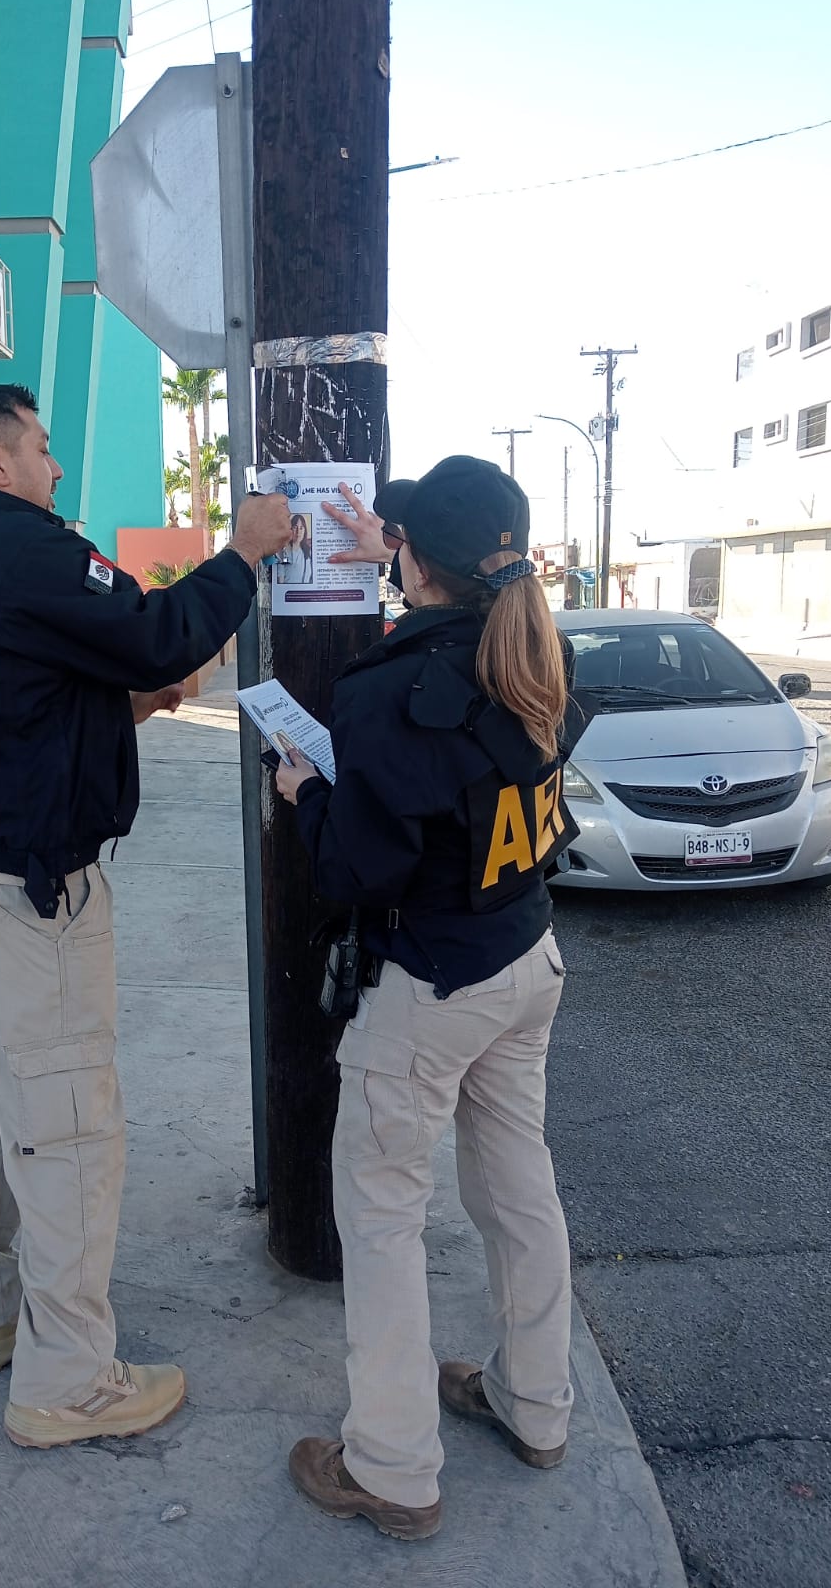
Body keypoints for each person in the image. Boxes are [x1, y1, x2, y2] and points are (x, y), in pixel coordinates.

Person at [0, 383, 291, 1449]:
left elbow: (3, 707)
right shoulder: (24, 548)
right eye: (41, 448)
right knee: (68, 1133)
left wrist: (120, 708)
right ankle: (66, 1381)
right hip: (30, 901)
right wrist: (244, 552)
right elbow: (159, 636)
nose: (55, 467)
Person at [274, 456, 586, 1541]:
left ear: (416, 562)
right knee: (517, 1189)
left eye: (399, 543)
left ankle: (393, 1468)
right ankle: (537, 1404)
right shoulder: (536, 646)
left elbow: (357, 867)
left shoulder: (386, 691)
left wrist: (307, 792)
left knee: (381, 1217)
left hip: (432, 985)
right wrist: (404, 559)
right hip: (525, 959)